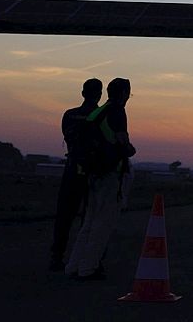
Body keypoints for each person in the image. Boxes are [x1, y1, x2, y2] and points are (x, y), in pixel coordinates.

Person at [65, 77, 135, 280]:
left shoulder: (98, 111)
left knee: (89, 221)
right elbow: (122, 142)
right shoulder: (117, 111)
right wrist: (129, 150)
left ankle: (74, 266)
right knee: (102, 223)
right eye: (128, 93)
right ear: (123, 93)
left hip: (92, 172)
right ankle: (89, 268)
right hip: (109, 173)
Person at [49, 77, 101, 272]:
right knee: (90, 218)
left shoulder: (70, 115)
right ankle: (84, 259)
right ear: (99, 94)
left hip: (72, 168)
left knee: (65, 215)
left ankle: (57, 256)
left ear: (82, 93)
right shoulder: (101, 116)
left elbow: (69, 137)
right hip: (92, 172)